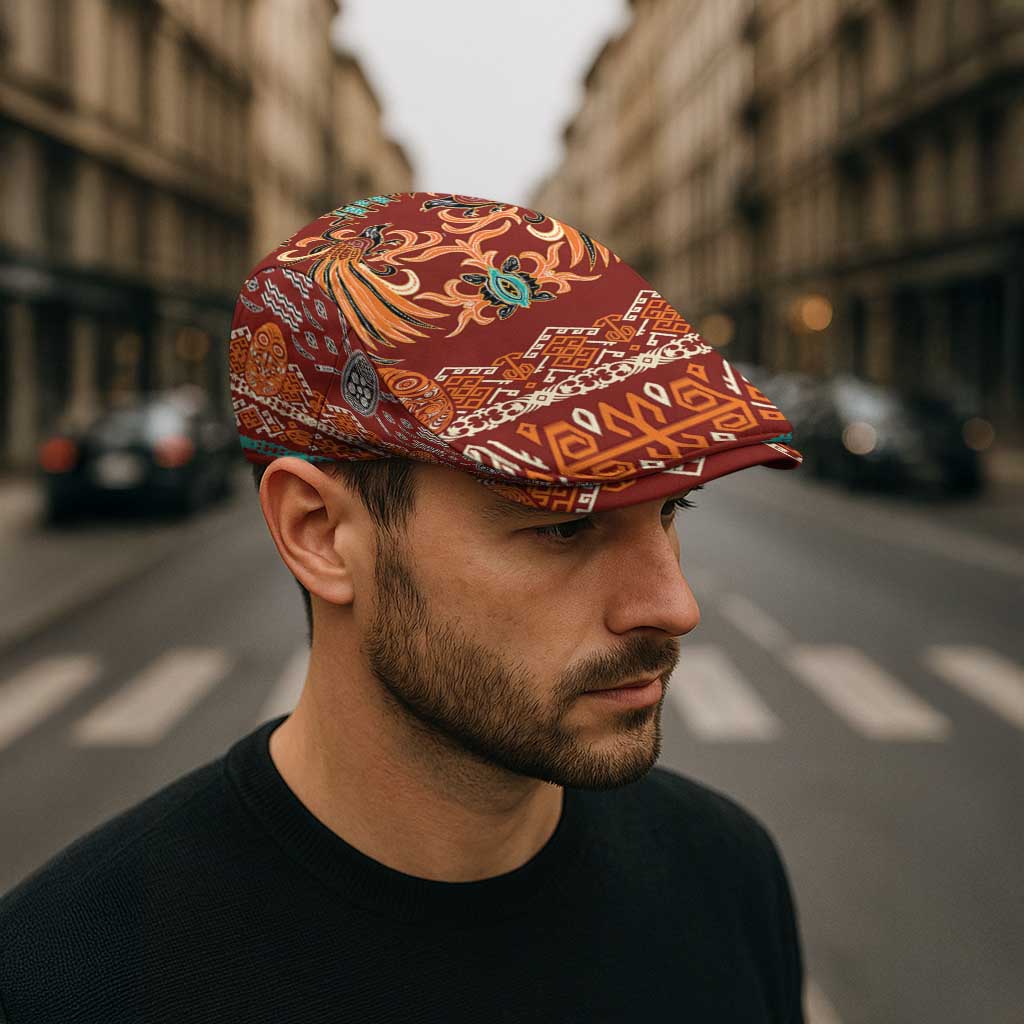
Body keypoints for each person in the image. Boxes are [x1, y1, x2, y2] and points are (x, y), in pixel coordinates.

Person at [0, 193, 807, 1023]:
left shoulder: (727, 877)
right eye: (566, 525)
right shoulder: (68, 980)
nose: (674, 606)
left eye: (673, 511)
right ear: (319, 534)